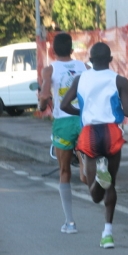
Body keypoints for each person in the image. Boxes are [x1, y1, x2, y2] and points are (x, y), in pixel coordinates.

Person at [60, 42, 128, 249]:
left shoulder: (80, 79)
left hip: (90, 134)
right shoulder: (119, 80)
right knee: (111, 184)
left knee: (95, 195)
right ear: (110, 60)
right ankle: (108, 233)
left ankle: (98, 178)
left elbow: (64, 105)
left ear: (90, 61)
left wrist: (82, 113)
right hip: (112, 132)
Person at [39, 33, 90, 234]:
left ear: (53, 50)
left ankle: (70, 223)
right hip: (84, 119)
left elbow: (44, 95)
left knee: (64, 171)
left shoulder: (49, 70)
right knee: (86, 168)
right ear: (72, 49)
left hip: (64, 122)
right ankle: (88, 168)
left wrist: (43, 103)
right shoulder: (84, 67)